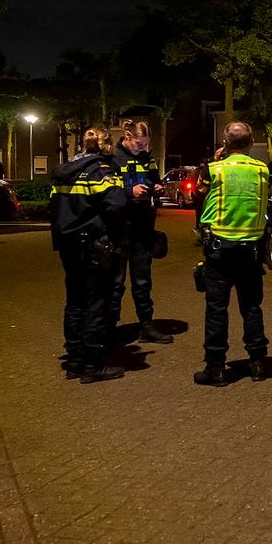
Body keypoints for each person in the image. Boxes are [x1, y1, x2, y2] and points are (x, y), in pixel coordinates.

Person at [49, 127, 128, 383]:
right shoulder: (102, 171)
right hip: (94, 245)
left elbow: (55, 207)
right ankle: (93, 365)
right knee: (95, 303)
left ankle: (74, 361)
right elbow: (117, 205)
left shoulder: (63, 172)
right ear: (106, 146)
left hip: (68, 245)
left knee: (74, 302)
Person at [195, 121, 271, 386]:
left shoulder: (215, 169)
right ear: (251, 143)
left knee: (217, 309)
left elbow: (199, 194)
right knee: (251, 307)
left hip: (219, 249)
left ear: (224, 143)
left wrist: (215, 161)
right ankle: (258, 363)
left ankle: (215, 368)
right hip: (251, 250)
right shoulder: (262, 169)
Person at [110, 120, 173, 344]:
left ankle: (146, 325)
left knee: (143, 281)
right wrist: (129, 191)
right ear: (127, 136)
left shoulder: (148, 157)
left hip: (143, 227)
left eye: (146, 145)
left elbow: (154, 179)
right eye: (139, 144)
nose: (142, 148)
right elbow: (107, 190)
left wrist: (156, 187)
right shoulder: (113, 158)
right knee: (115, 283)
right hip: (119, 228)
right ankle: (110, 330)